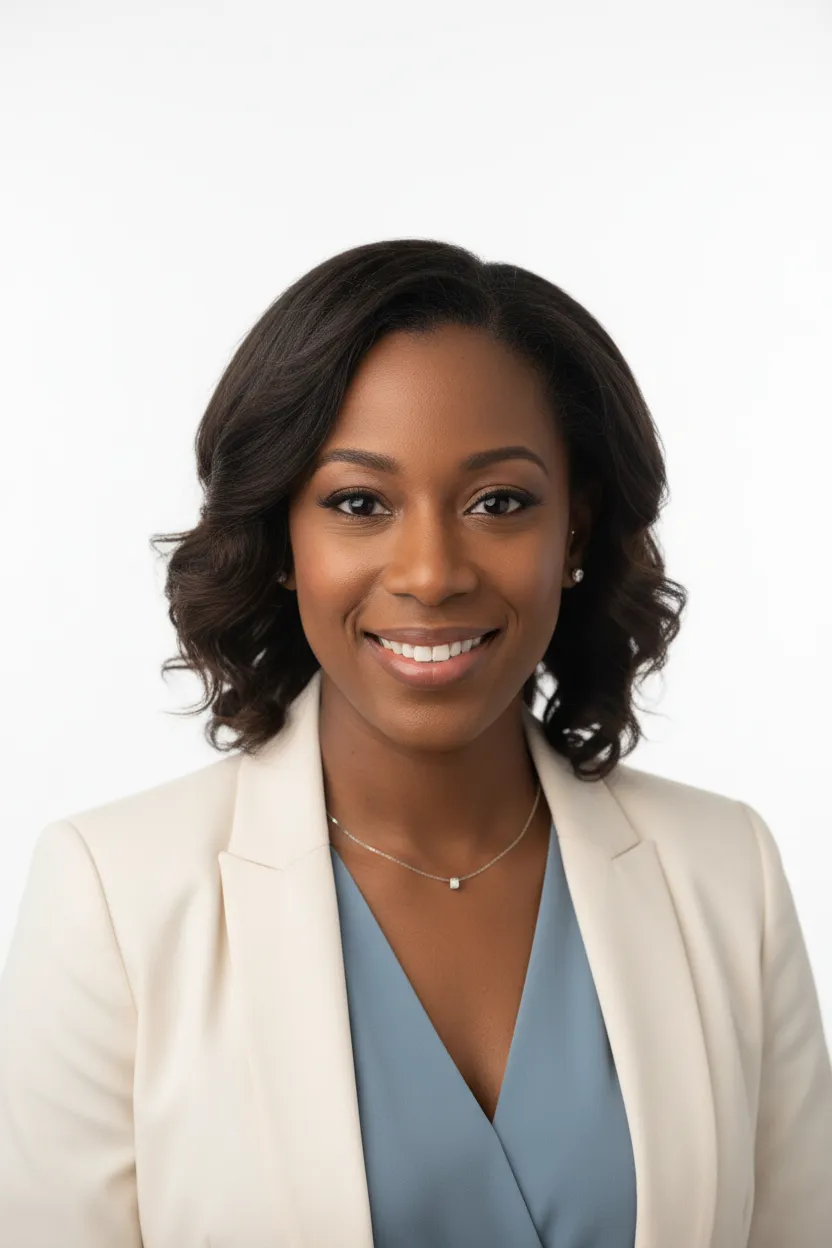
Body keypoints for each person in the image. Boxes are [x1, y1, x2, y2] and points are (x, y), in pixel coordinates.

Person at [0, 239, 830, 1248]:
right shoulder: (114, 897)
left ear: (574, 531)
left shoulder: (723, 872)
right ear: (280, 541)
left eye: (499, 503)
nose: (431, 572)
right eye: (359, 504)